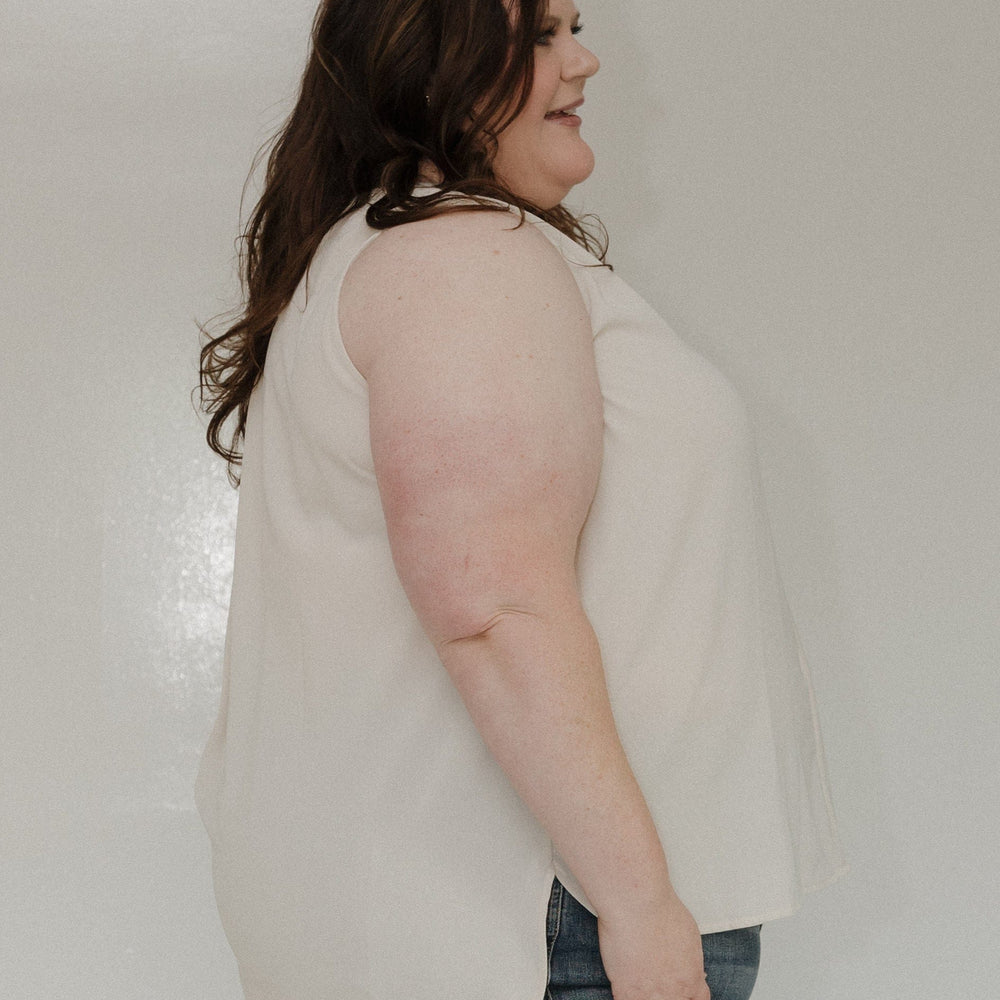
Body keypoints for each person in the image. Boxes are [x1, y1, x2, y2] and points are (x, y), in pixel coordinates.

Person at [196, 1, 847, 998]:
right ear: (432, 56)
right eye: (542, 33)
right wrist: (638, 907)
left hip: (537, 913)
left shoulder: (420, 249)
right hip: (548, 923)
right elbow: (493, 606)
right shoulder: (459, 256)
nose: (583, 61)